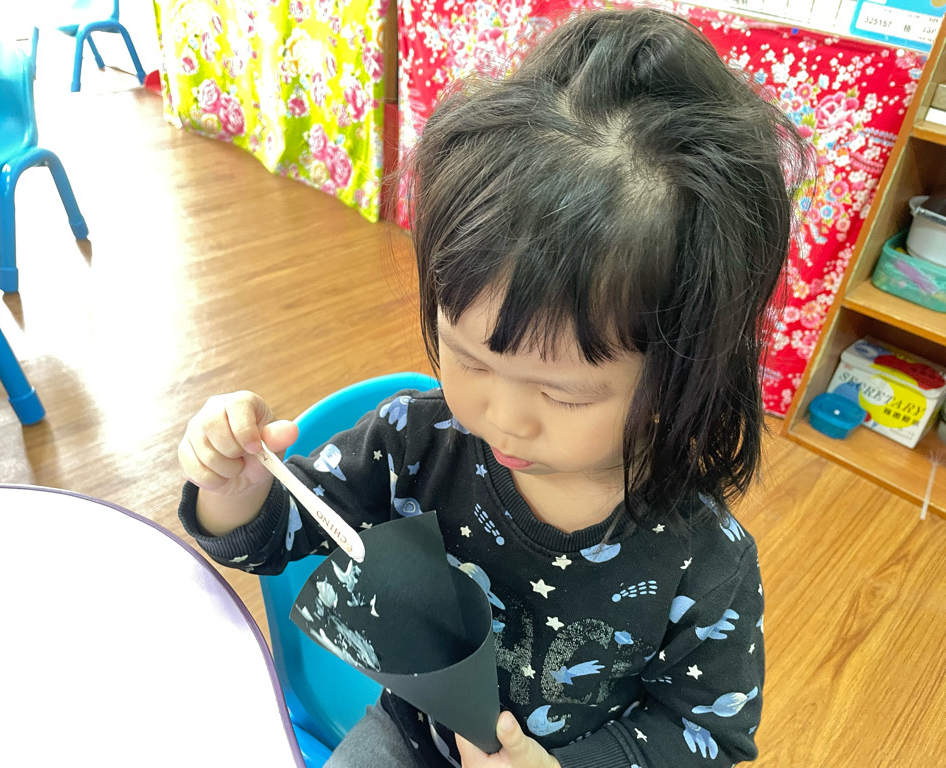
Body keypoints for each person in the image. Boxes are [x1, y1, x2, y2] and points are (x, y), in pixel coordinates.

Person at [176, 7, 812, 768]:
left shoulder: (701, 561)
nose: (502, 417)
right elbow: (282, 533)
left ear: (686, 375)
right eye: (468, 359)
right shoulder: (414, 445)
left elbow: (707, 734)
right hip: (411, 736)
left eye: (564, 395)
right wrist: (236, 489)